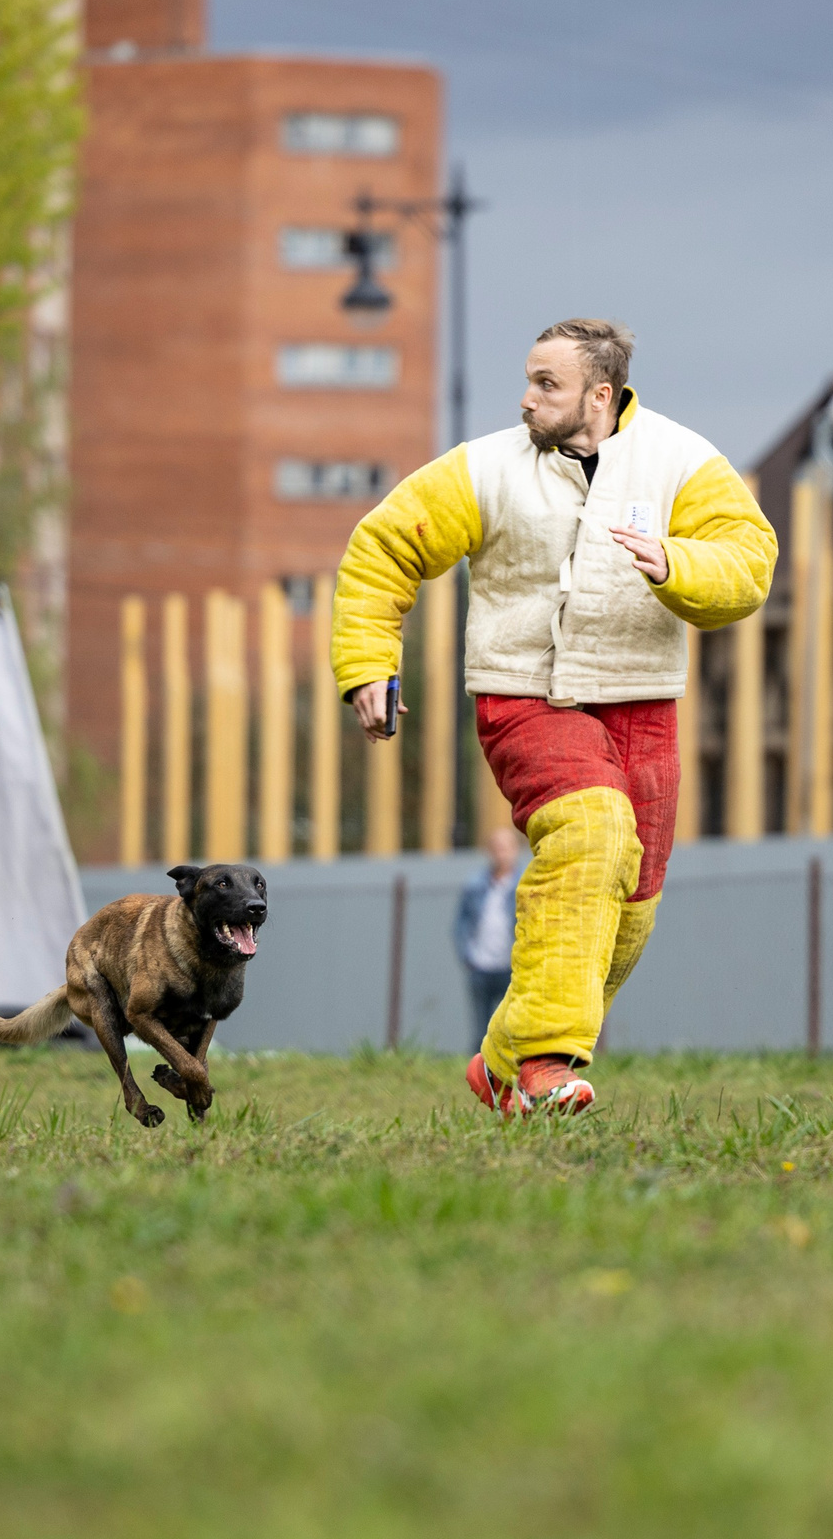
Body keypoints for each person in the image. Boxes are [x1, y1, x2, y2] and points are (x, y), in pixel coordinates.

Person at [330, 318, 776, 1113]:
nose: (528, 399)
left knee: (630, 900)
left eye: (548, 385)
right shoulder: (485, 468)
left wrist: (677, 562)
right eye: (530, 381)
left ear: (600, 396)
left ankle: (500, 1061)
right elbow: (384, 546)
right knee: (594, 836)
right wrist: (368, 665)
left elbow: (748, 560)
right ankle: (543, 1065)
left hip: (641, 698)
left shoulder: (681, 461)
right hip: (524, 694)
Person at [454, 826, 523, 1051]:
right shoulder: (475, 885)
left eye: (505, 848)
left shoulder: (526, 885)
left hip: (511, 966)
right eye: (496, 848)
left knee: (512, 1026)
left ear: (515, 850)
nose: (501, 853)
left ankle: (510, 1073)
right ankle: (479, 1075)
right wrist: (467, 955)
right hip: (480, 965)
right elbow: (461, 923)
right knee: (481, 1028)